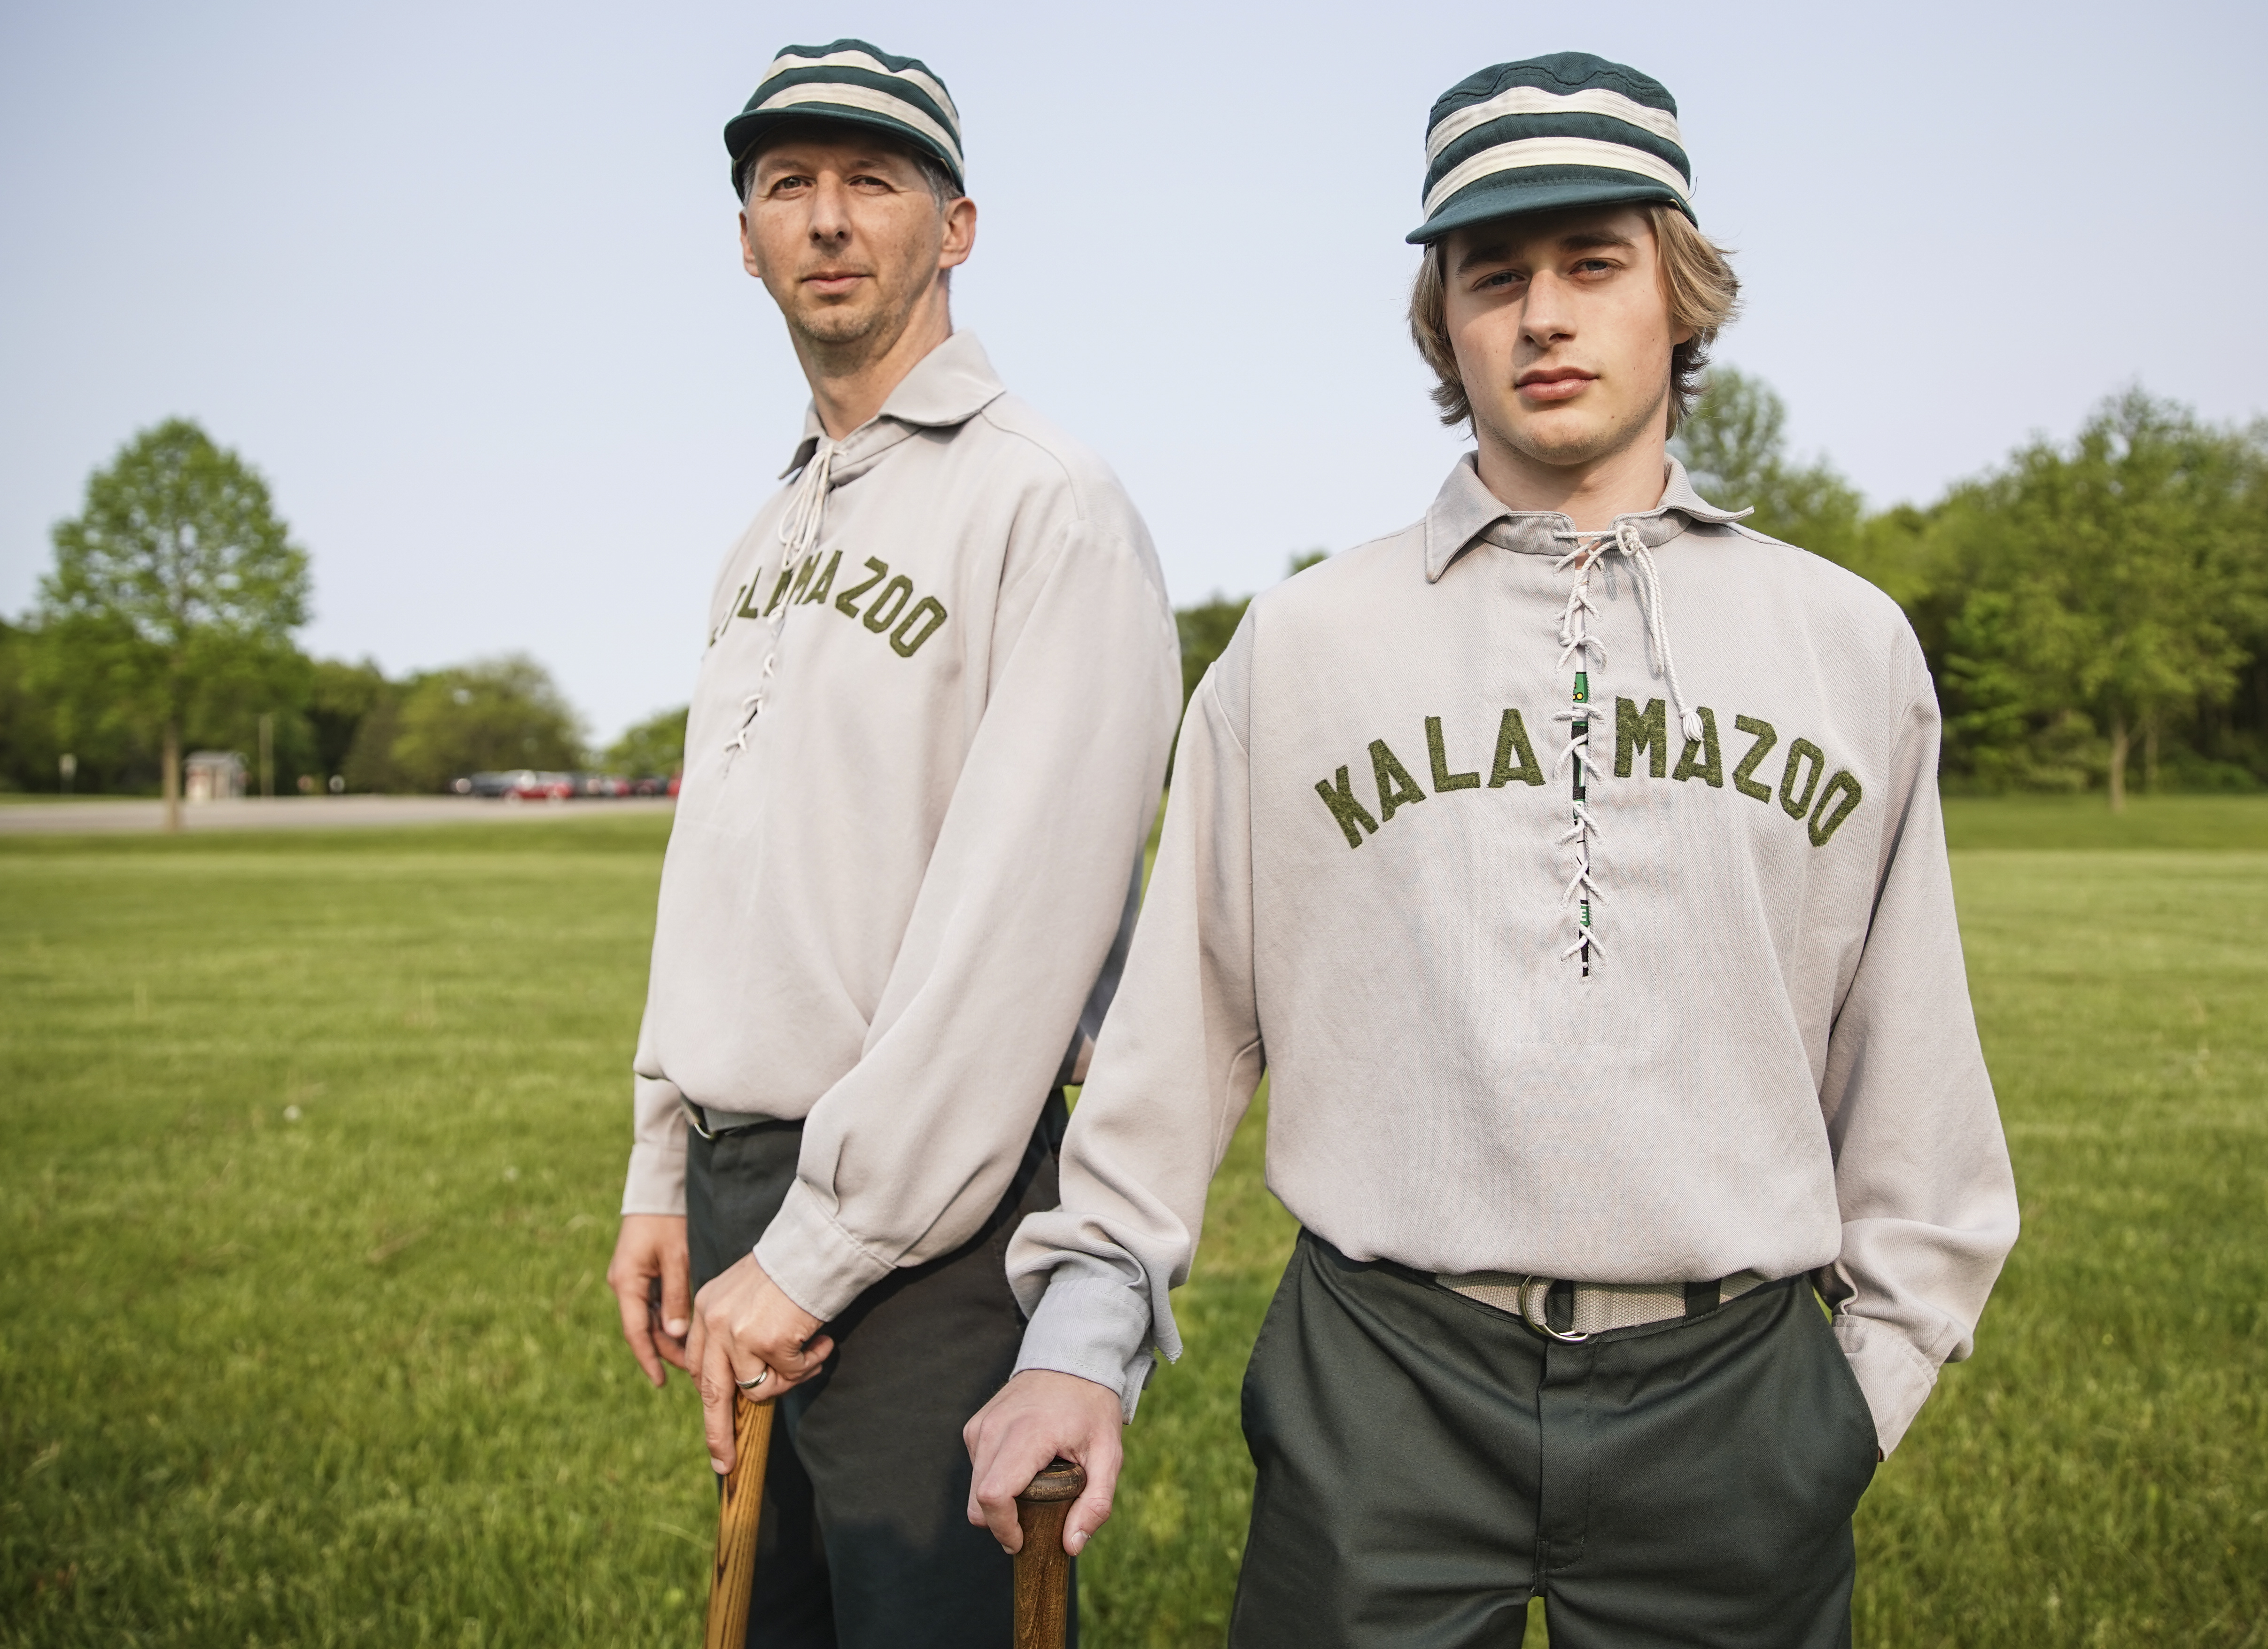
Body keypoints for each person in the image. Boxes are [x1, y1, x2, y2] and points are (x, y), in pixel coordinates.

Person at [963, 51, 2019, 1647]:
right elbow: (1176, 1033)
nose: (1543, 316)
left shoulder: (1844, 644)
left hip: (1732, 1394)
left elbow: (1913, 1066)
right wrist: (1076, 1338)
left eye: (1594, 265)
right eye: (1492, 275)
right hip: (1383, 1377)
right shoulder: (1304, 644)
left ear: (1677, 293)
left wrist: (1847, 1405)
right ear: (1440, 322)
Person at [603, 39, 1180, 1647]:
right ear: (745, 238)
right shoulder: (762, 536)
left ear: (958, 226)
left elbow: (1020, 933)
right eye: (789, 185)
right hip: (742, 1200)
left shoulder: (1047, 504)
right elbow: (717, 873)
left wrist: (826, 1241)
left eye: (875, 181)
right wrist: (668, 1160)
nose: (830, 219)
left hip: (933, 1226)